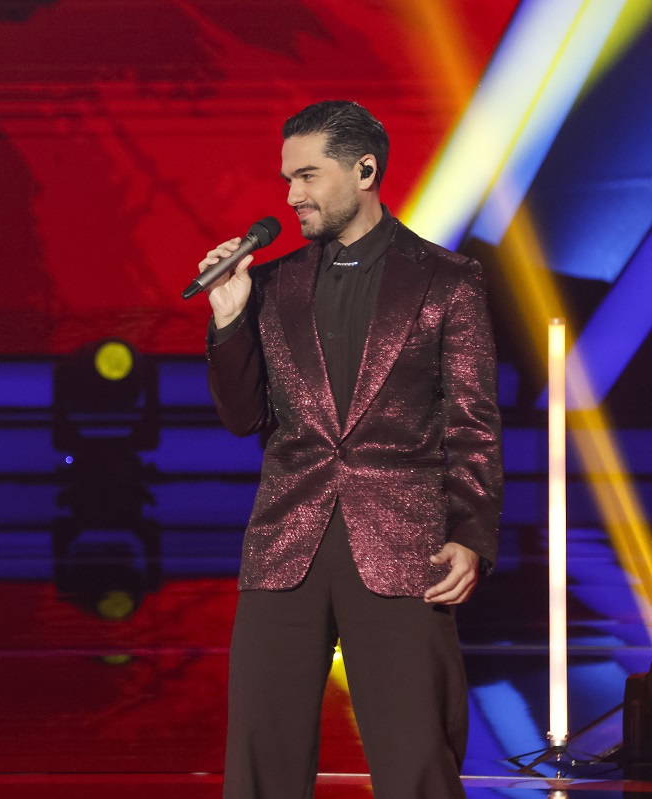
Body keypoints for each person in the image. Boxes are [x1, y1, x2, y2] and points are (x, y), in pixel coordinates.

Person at [200, 101, 502, 798]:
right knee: (261, 756)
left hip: (404, 543)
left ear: (365, 170)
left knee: (417, 755)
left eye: (307, 176)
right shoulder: (270, 285)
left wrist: (470, 534)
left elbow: (474, 423)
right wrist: (230, 318)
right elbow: (243, 419)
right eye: (287, 178)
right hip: (286, 539)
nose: (291, 196)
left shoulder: (446, 281)